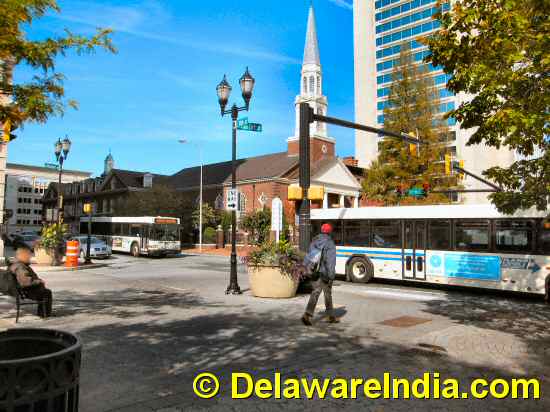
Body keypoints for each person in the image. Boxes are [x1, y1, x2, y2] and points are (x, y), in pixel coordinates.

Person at [302, 223, 338, 326]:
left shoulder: (315, 240)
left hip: (314, 271)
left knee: (315, 292)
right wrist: (331, 276)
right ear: (330, 232)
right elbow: (331, 261)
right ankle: (330, 316)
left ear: (322, 230)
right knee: (327, 293)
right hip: (325, 273)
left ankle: (307, 314)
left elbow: (310, 254)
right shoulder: (330, 243)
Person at [9, 245, 53, 318]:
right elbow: (26, 282)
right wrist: (39, 282)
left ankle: (43, 313)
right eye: (28, 255)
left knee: (45, 292)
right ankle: (44, 314)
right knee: (47, 293)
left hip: (21, 290)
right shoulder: (20, 266)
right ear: (23, 256)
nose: (30, 257)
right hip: (27, 292)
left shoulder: (15, 264)